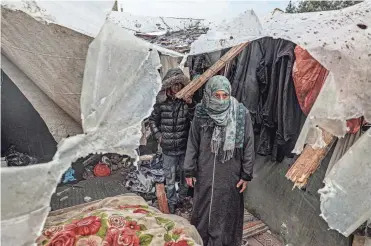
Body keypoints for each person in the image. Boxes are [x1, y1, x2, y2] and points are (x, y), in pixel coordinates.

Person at [184, 75, 255, 246]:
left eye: (225, 95)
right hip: (205, 172)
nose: (222, 100)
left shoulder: (240, 113)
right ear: (209, 94)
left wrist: (246, 175)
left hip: (230, 174)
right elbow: (193, 142)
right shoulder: (201, 112)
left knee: (226, 212)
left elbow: (248, 144)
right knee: (203, 210)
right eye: (217, 95)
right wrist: (189, 170)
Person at [149, 68, 195, 213]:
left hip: (183, 146)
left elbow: (195, 120)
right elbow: (152, 121)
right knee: (169, 178)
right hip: (168, 147)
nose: (177, 87)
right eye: (174, 85)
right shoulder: (161, 103)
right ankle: (172, 202)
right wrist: (158, 136)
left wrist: (191, 104)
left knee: (184, 176)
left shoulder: (186, 101)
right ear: (169, 86)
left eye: (179, 84)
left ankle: (181, 199)